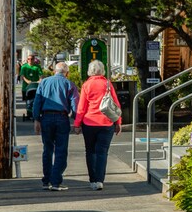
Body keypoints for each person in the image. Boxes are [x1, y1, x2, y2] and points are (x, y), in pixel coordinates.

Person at [74, 60, 121, 191]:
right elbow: (115, 104)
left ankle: (92, 180)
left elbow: (81, 107)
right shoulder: (107, 84)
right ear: (102, 70)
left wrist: (77, 124)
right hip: (107, 122)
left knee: (90, 151)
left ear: (90, 71)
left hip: (89, 122)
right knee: (102, 153)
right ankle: (100, 180)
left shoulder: (86, 85)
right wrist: (118, 122)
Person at [32, 61, 79, 191]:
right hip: (62, 118)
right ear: (67, 73)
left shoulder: (44, 82)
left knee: (47, 149)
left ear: (54, 71)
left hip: (46, 117)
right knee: (61, 150)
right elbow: (75, 105)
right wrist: (77, 121)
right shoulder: (69, 84)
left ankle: (46, 180)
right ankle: (56, 181)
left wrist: (36, 119)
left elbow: (37, 101)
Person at [19, 54, 43, 120]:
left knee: (36, 101)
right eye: (28, 59)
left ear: (34, 59)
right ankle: (29, 113)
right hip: (26, 87)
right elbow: (22, 76)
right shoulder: (24, 67)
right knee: (28, 101)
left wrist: (40, 80)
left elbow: (40, 75)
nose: (30, 60)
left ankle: (36, 113)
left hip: (35, 86)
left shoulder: (37, 67)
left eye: (31, 59)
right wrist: (27, 81)